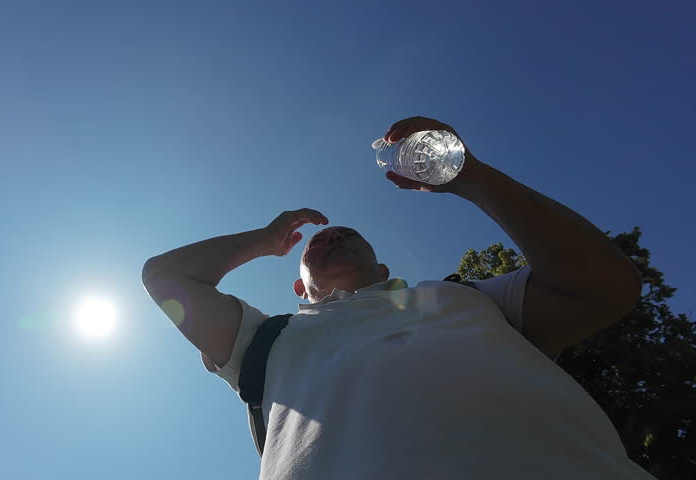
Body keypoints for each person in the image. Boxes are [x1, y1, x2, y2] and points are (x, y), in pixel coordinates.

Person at [141, 116, 656, 479]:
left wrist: (468, 175)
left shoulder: (469, 298)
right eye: (318, 240)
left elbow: (604, 285)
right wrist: (261, 240)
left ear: (385, 269)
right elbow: (165, 276)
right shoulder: (263, 341)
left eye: (347, 235)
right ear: (299, 288)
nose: (331, 237)